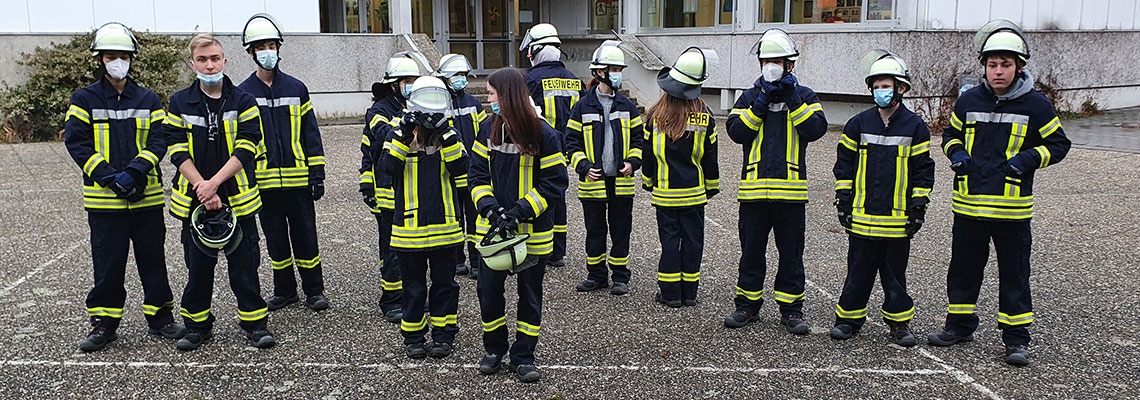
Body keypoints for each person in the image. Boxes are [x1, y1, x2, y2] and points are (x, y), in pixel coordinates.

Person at [928, 20, 1070, 366]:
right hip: (969, 206)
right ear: (985, 67)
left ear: (1019, 66)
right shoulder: (969, 101)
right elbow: (950, 136)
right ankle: (959, 327)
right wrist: (957, 153)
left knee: (1015, 275)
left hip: (1012, 212)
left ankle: (1016, 340)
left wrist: (1027, 159)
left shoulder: (1036, 105)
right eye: (992, 64)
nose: (998, 71)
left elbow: (1059, 144)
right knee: (963, 270)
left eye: (1005, 64)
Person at [64, 22, 185, 352]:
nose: (117, 62)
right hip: (104, 202)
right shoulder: (84, 98)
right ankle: (104, 324)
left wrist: (134, 172)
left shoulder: (148, 98)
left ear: (132, 59)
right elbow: (77, 143)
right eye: (111, 56)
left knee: (153, 261)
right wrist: (108, 177)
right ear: (100, 60)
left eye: (123, 56)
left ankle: (161, 319)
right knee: (107, 265)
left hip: (144, 198)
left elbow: (159, 139)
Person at [165, 33, 274, 351]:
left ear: (225, 61)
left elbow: (247, 146)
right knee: (198, 269)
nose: (209, 65)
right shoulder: (179, 102)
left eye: (214, 58)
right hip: (195, 201)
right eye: (202, 59)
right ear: (192, 63)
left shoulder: (243, 100)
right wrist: (203, 186)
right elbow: (176, 149)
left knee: (245, 267)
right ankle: (197, 327)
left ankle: (255, 324)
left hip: (237, 199)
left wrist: (214, 184)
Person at [723, 29, 827, 333]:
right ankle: (747, 307)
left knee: (791, 254)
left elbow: (815, 129)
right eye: (766, 60)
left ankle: (791, 310)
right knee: (751, 252)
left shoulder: (804, 96)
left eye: (776, 61)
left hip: (791, 195)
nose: (771, 65)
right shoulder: (749, 96)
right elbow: (736, 132)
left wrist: (792, 99)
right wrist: (760, 104)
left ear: (789, 65)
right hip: (754, 194)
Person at [468, 68, 568, 383]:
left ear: (508, 96)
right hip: (494, 232)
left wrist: (519, 212)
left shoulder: (544, 134)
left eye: (492, 94)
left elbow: (554, 184)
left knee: (530, 296)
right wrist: (491, 209)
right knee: (489, 294)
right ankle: (494, 350)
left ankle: (523, 355)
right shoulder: (487, 130)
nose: (488, 99)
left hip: (533, 235)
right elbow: (477, 177)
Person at [830, 50, 934, 347]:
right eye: (876, 87)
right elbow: (844, 165)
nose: (880, 92)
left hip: (897, 220)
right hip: (862, 218)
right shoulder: (857, 124)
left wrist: (918, 207)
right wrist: (843, 200)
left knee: (894, 276)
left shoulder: (915, 127)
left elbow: (922, 171)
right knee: (857, 274)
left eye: (886, 86)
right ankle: (848, 320)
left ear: (901, 88)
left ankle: (899, 324)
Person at [236, 13, 329, 312]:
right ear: (251, 53)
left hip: (299, 180)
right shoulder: (242, 94)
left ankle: (314, 290)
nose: (267, 51)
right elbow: (241, 143)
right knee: (275, 240)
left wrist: (317, 173)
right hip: (263, 184)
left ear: (279, 48)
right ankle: (285, 290)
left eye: (271, 45)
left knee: (306, 237)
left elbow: (310, 133)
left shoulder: (297, 88)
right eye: (260, 47)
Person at [377, 77, 468, 359]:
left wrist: (446, 132)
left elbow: (461, 167)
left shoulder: (450, 134)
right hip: (408, 229)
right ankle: (413, 337)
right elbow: (387, 166)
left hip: (445, 228)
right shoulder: (397, 132)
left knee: (445, 286)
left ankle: (443, 336)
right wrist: (405, 132)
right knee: (413, 288)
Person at [642, 47, 720, 308]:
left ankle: (670, 293)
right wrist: (711, 187)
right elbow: (710, 156)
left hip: (665, 195)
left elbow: (648, 156)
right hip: (694, 194)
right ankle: (689, 293)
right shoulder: (705, 115)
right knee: (693, 243)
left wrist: (648, 182)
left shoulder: (655, 116)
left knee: (670, 243)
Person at [566, 41, 643, 296]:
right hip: (593, 181)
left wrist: (632, 162)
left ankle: (620, 277)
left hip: (621, 181)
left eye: (620, 68)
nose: (618, 73)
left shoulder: (628, 107)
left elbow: (639, 141)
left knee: (621, 230)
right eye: (613, 68)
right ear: (599, 72)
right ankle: (596, 276)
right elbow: (571, 143)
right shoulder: (582, 106)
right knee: (595, 231)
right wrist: (584, 167)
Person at [361, 51, 429, 323]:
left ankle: (412, 298)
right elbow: (379, 138)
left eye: (415, 80)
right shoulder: (379, 111)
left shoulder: (418, 104)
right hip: (389, 191)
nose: (412, 85)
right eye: (407, 80)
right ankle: (391, 300)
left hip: (413, 190)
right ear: (394, 84)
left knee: (416, 250)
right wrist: (408, 124)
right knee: (392, 250)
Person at [520, 23, 583, 269]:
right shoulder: (574, 80)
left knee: (537, 195)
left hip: (538, 148)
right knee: (558, 195)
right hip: (566, 149)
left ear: (537, 51)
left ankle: (538, 248)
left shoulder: (531, 80)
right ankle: (558, 250)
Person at [437, 54, 488, 280]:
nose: (462, 79)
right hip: (448, 175)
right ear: (446, 78)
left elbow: (484, 133)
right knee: (454, 220)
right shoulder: (438, 103)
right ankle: (458, 260)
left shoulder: (473, 104)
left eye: (464, 75)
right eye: (457, 75)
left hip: (472, 173)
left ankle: (476, 261)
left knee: (475, 219)